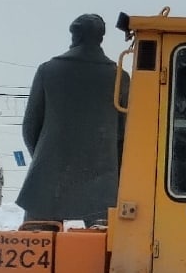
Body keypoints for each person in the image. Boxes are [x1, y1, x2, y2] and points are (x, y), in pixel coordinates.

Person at [16, 14, 126, 223]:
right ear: (100, 38)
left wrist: (43, 158)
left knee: (38, 245)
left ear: (74, 36)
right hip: (102, 184)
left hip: (47, 181)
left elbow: (30, 128)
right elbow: (125, 133)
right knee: (102, 250)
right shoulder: (119, 77)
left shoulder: (48, 71)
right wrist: (112, 170)